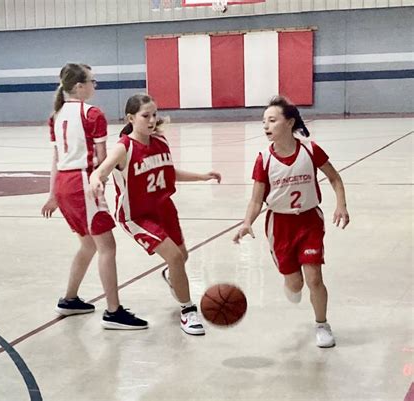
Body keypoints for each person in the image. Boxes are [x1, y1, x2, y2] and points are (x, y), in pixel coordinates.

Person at [88, 93, 221, 336]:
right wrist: (96, 181)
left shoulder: (160, 142)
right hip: (137, 215)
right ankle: (187, 311)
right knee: (175, 258)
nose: (151, 120)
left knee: (181, 256)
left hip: (164, 209)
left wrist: (202, 176)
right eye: (145, 116)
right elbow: (100, 170)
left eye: (154, 115)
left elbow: (169, 172)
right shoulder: (123, 147)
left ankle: (173, 278)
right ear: (131, 117)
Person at [233, 96, 349, 348]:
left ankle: (322, 324)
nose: (266, 126)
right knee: (295, 283)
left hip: (309, 221)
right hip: (280, 226)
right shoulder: (264, 158)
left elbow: (335, 178)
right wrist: (246, 222)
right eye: (264, 121)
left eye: (272, 120)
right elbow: (256, 200)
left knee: (314, 277)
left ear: (289, 122)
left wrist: (341, 205)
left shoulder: (310, 149)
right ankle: (291, 282)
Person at [41, 63, 147, 330]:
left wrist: (53, 193)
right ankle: (113, 312)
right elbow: (102, 159)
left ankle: (69, 299)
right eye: (92, 81)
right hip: (83, 183)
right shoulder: (92, 114)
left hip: (66, 185)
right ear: (79, 86)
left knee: (88, 245)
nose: (95, 85)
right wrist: (106, 178)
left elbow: (55, 159)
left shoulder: (55, 116)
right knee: (107, 247)